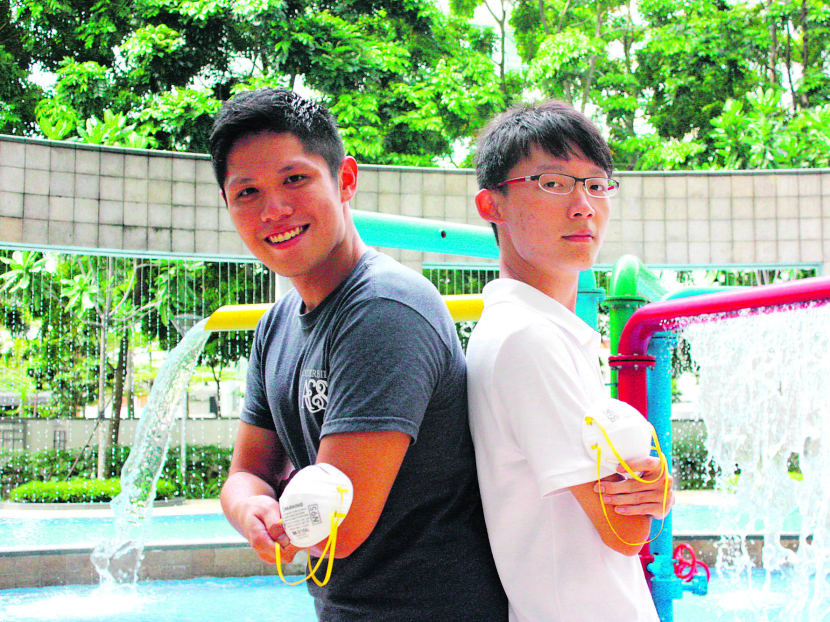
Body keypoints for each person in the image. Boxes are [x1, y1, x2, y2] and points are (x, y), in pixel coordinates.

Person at [210, 88, 508, 621]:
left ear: (345, 179)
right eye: (247, 192)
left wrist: (281, 507)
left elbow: (337, 527)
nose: (273, 209)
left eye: (294, 179)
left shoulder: (385, 310)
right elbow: (246, 472)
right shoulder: (276, 326)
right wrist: (250, 508)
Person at [465, 100, 674, 622]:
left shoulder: (539, 330)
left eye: (597, 184)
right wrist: (654, 479)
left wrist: (650, 486)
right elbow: (626, 531)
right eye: (553, 183)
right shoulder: (528, 339)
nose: (583, 205)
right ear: (492, 205)